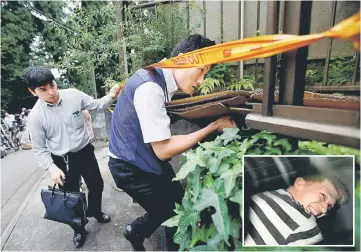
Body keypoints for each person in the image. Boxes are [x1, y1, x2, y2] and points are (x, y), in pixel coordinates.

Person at [108, 34, 236, 251]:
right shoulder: (150, 88)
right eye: (201, 70)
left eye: (206, 73)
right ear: (184, 59)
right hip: (130, 167)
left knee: (174, 203)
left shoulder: (154, 74)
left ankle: (135, 231)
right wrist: (212, 127)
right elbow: (164, 150)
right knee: (174, 210)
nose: (202, 80)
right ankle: (152, 238)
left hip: (139, 157)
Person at [24, 66, 120, 248]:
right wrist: (52, 168)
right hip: (62, 161)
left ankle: (95, 212)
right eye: (43, 90)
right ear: (32, 91)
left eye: (52, 85)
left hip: (84, 151)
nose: (51, 92)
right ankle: (79, 228)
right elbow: (39, 149)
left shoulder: (73, 95)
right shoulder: (36, 117)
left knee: (96, 185)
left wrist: (112, 95)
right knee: (71, 197)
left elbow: (97, 104)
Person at [244, 172, 350, 246]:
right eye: (323, 195)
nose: (325, 209)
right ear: (299, 183)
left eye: (330, 206)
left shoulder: (310, 229)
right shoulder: (270, 194)